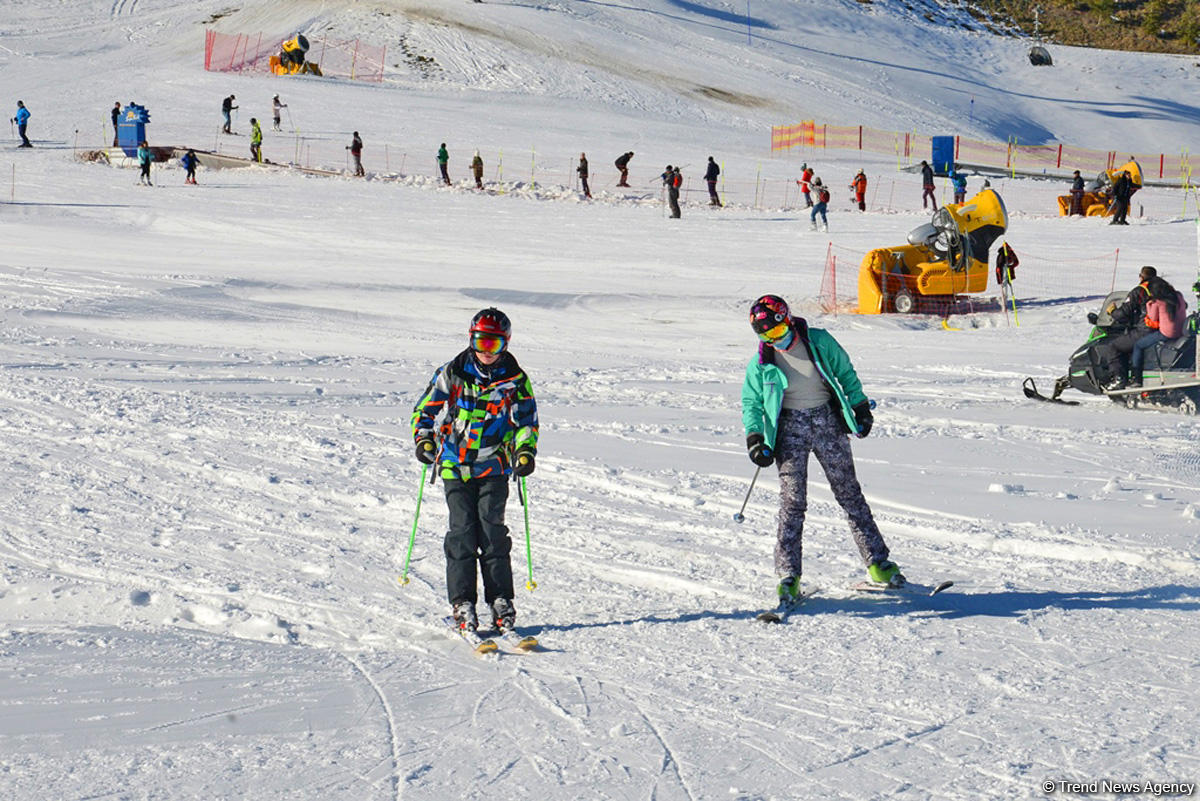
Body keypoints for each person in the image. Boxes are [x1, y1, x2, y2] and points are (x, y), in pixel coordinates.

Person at [742, 294, 900, 604]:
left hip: (827, 421)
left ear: (786, 320)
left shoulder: (820, 342)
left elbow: (846, 373)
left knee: (849, 493)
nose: (774, 341)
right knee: (793, 502)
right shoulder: (761, 364)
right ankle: (788, 575)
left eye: (775, 332)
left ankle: (878, 562)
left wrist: (859, 407)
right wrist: (755, 439)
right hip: (789, 430)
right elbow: (752, 402)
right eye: (765, 337)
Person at [411, 308, 539, 633]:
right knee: (463, 532)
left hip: (494, 464)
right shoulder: (452, 373)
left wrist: (525, 450)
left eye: (494, 344)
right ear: (471, 339)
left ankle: (500, 600)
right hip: (455, 464)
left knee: (493, 532)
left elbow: (527, 420)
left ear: (505, 345)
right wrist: (424, 441)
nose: (486, 351)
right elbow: (424, 411)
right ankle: (462, 602)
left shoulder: (515, 380)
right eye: (481, 341)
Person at [1102, 265, 1157, 387]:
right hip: (1161, 330)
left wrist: (1112, 311)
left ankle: (1119, 379)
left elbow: (1123, 314)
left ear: (1141, 277)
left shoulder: (1140, 291)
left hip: (1145, 330)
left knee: (1114, 347)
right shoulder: (1161, 290)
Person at [1129, 276, 1188, 387]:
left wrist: (1149, 304)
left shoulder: (1158, 302)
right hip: (1181, 332)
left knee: (1138, 345)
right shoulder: (1179, 295)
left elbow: (1152, 317)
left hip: (1167, 333)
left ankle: (1136, 378)